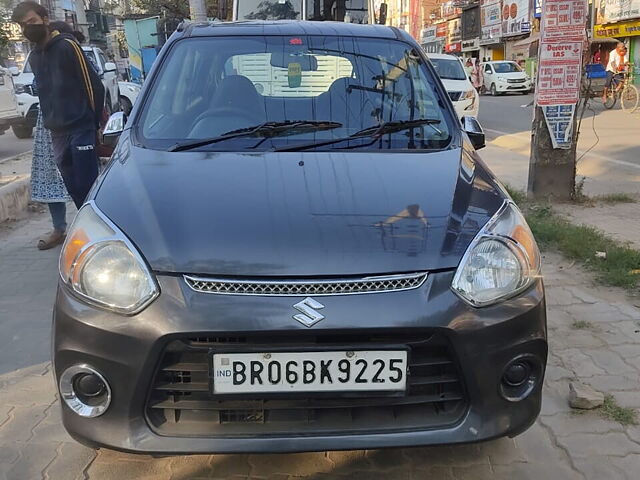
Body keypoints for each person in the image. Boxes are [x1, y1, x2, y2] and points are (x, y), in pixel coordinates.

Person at [12, 1, 104, 209]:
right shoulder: (35, 57)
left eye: (32, 21)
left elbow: (94, 87)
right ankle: (88, 226)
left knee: (88, 186)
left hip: (81, 128)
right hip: (57, 134)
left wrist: (94, 124)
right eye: (23, 25)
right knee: (74, 189)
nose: (28, 28)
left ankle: (101, 229)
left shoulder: (67, 46)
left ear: (45, 20)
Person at [28, 20, 76, 250]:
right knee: (49, 177)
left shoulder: (73, 53)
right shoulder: (38, 56)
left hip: (76, 123)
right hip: (48, 125)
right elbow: (38, 88)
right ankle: (59, 228)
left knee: (84, 177)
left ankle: (92, 228)